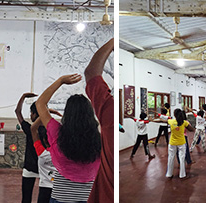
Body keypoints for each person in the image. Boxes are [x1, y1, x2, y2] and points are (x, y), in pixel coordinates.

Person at [36, 74, 102, 203]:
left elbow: (40, 104)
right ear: (90, 114)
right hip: (88, 196)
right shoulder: (98, 138)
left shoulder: (57, 132)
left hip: (61, 196)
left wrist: (60, 81)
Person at [82, 37, 117, 203]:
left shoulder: (110, 115)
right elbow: (92, 74)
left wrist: (113, 41)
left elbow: (91, 73)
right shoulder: (109, 120)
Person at [15, 92, 61, 203]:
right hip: (46, 169)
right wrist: (47, 112)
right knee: (45, 198)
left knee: (26, 198)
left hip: (30, 168)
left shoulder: (30, 129)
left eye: (31, 113)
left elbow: (17, 112)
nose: (30, 115)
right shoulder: (49, 130)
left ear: (35, 114)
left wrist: (23, 96)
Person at [30, 118, 57, 203]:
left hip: (44, 189)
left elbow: (33, 129)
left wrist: (44, 113)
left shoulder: (42, 153)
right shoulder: (62, 155)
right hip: (58, 190)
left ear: (45, 140)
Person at [163, 109, 193, 179]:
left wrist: (151, 120)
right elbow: (191, 129)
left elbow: (161, 120)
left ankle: (169, 174)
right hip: (181, 143)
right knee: (182, 159)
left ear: (174, 115)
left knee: (170, 158)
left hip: (172, 143)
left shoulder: (171, 121)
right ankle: (182, 175)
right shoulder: (184, 122)